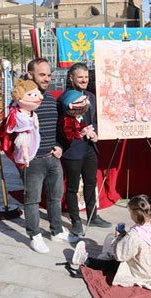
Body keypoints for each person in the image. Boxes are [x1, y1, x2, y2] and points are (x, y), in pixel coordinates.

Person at [22, 58, 79, 254]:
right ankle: (35, 236)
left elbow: (58, 128)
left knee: (55, 197)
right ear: (30, 75)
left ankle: (56, 230)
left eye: (48, 75)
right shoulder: (22, 100)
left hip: (52, 157)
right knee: (32, 200)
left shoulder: (51, 99)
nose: (46, 79)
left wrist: (60, 146)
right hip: (33, 161)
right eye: (42, 75)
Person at [72, 194, 151, 289]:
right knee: (118, 251)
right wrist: (124, 236)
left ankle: (85, 260)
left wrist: (118, 238)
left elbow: (120, 256)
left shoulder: (134, 235)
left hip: (143, 274)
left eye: (130, 211)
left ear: (135, 214)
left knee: (112, 261)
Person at [59, 62, 111, 228]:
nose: (84, 80)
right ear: (71, 78)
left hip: (90, 148)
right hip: (72, 149)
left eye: (86, 77)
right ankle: (75, 220)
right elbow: (60, 126)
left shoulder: (92, 96)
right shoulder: (64, 100)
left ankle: (93, 217)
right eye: (80, 77)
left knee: (91, 183)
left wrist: (95, 132)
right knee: (72, 187)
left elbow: (94, 120)